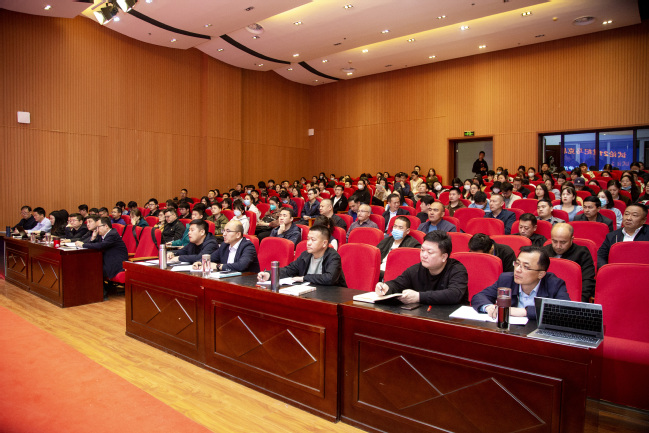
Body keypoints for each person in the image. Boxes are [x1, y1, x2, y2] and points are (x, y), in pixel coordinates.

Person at [471, 246, 570, 320]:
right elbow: (479, 297)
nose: (517, 270)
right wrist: (489, 307)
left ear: (541, 274)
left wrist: (525, 312)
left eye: (525, 267)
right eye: (517, 263)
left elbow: (565, 311)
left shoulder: (554, 284)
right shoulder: (506, 279)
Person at [375, 231, 468, 305]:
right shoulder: (417, 269)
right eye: (422, 250)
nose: (424, 255)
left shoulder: (457, 270)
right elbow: (397, 284)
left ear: (444, 257)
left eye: (429, 252)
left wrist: (419, 297)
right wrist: (386, 287)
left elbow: (454, 294)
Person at [257, 224, 346, 286]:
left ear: (324, 243)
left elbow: (329, 278)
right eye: (308, 239)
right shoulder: (305, 255)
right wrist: (270, 274)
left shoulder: (333, 256)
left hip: (331, 296)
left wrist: (304, 278)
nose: (308, 243)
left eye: (313, 240)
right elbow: (289, 270)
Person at [542, 223, 596, 302]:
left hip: (572, 298)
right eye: (554, 241)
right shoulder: (544, 251)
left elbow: (587, 281)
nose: (558, 246)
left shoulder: (582, 253)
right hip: (547, 296)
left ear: (571, 239)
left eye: (563, 242)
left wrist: (578, 303)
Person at [194, 220, 259, 273]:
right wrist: (200, 262)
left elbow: (241, 266)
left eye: (228, 231)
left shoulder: (248, 246)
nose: (224, 234)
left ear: (238, 234)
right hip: (228, 279)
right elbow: (212, 257)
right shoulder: (224, 245)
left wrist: (218, 266)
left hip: (245, 281)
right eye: (224, 231)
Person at [76, 217, 128, 282]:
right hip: (106, 260)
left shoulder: (112, 234)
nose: (97, 230)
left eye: (98, 227)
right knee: (87, 266)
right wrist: (93, 238)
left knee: (92, 270)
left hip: (115, 264)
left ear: (106, 226)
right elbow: (95, 245)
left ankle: (100, 288)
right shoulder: (102, 235)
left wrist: (83, 245)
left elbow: (101, 245)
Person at [597, 203, 649, 268]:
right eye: (626, 214)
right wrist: (607, 269)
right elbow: (600, 256)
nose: (628, 218)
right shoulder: (612, 236)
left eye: (634, 215)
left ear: (644, 220)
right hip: (617, 270)